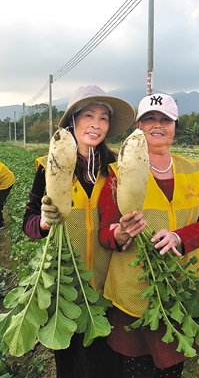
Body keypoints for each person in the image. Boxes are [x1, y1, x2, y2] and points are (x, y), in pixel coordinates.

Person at [97, 93, 199, 378]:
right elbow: (105, 231)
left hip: (180, 287)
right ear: (138, 126)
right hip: (133, 291)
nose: (157, 125)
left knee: (172, 369)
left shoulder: (195, 171)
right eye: (149, 119)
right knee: (135, 369)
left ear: (175, 126)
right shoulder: (118, 173)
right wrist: (120, 232)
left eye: (165, 119)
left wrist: (179, 237)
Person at [22, 85, 135, 378]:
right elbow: (29, 223)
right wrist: (45, 223)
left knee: (106, 366)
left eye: (103, 118)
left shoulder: (116, 170)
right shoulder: (49, 167)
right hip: (65, 285)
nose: (96, 124)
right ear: (73, 120)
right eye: (89, 115)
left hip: (108, 282)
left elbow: (126, 220)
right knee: (72, 366)